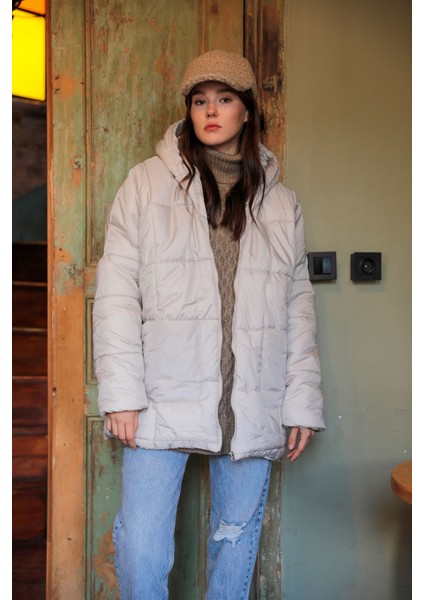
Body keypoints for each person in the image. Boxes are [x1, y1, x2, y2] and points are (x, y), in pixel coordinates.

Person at [93, 49, 325, 600]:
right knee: (142, 547)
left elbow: (297, 306)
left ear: (247, 111)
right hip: (159, 393)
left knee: (234, 544)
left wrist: (301, 402)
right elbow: (116, 295)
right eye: (200, 101)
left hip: (252, 397)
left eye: (224, 99)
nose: (211, 111)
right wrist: (121, 395)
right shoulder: (144, 185)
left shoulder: (281, 203)